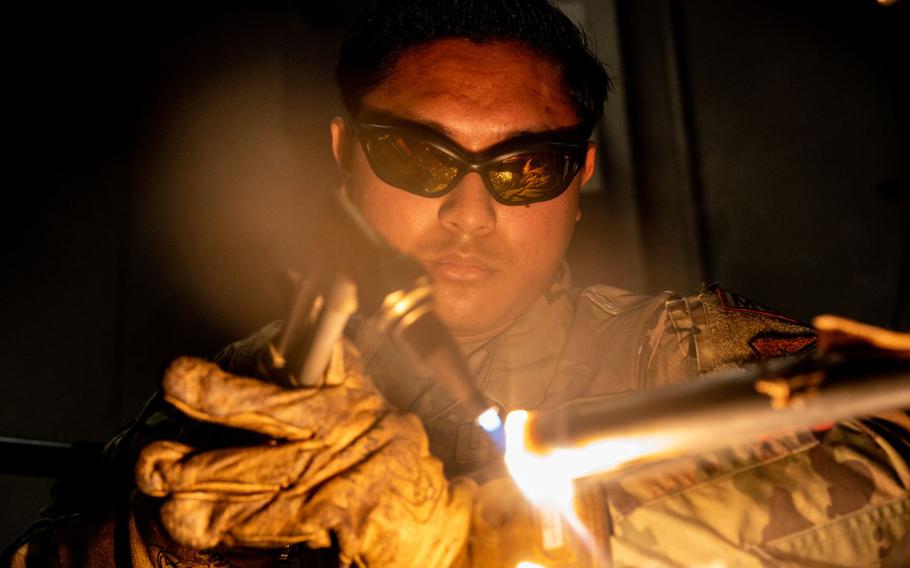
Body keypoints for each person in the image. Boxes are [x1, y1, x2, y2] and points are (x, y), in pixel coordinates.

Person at [6, 0, 909, 566]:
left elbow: (886, 465)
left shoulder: (676, 348)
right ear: (345, 156)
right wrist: (156, 549)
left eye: (527, 167)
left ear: (582, 176)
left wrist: (467, 545)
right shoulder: (240, 397)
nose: (470, 213)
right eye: (418, 155)